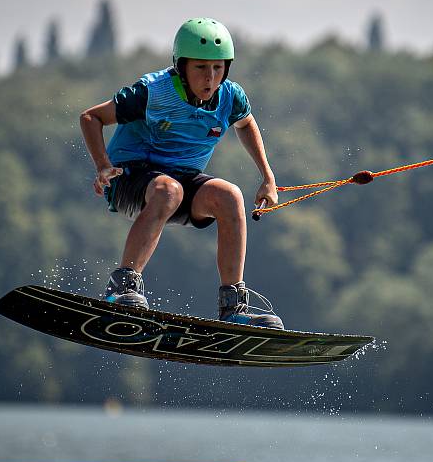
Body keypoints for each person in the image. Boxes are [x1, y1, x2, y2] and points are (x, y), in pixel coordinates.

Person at [79, 17, 283, 329]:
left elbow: (246, 124)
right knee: (168, 190)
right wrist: (102, 165)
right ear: (181, 66)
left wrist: (267, 177)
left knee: (230, 196)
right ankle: (122, 288)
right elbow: (91, 117)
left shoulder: (230, 96)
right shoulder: (150, 93)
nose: (210, 77)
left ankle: (233, 307)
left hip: (181, 180)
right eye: (201, 67)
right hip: (129, 178)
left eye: (218, 68)